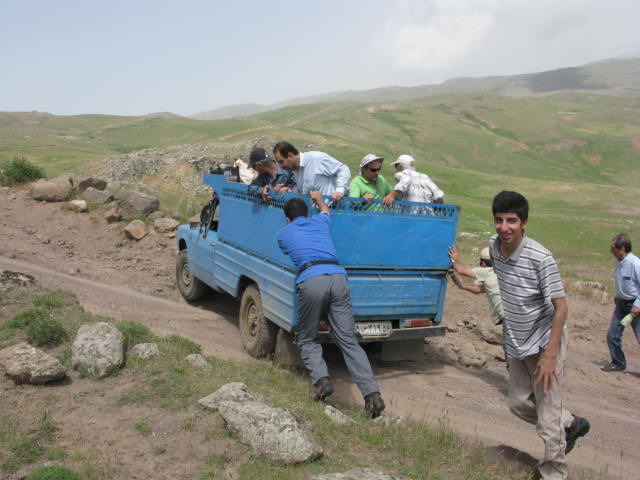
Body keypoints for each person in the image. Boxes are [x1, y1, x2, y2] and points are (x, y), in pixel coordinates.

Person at [489, 190, 589, 480]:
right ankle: (569, 424)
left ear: (524, 223)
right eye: (499, 220)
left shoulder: (541, 257)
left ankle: (553, 473)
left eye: (512, 221)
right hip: (517, 341)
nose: (504, 227)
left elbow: (561, 308)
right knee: (518, 403)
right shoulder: (494, 248)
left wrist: (550, 355)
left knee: (547, 414)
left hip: (546, 341)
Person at [277, 190, 385, 418]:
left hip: (311, 279)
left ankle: (322, 381)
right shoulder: (320, 221)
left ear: (287, 218)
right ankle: (373, 396)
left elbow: (289, 250)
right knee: (348, 340)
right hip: (338, 277)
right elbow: (326, 210)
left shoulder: (284, 233)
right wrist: (317, 198)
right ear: (307, 214)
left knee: (307, 337)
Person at [602, 233, 640, 372]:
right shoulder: (618, 262)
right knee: (612, 335)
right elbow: (620, 280)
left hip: (635, 305)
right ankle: (618, 362)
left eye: (613, 247)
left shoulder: (635, 264)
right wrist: (618, 295)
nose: (610, 250)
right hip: (621, 304)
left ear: (622, 248)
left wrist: (638, 305)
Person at [273, 141, 350, 203]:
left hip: (332, 210)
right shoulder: (296, 169)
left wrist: (339, 191)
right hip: (313, 214)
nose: (281, 166)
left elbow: (343, 169)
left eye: (281, 162)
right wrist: (292, 191)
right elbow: (306, 191)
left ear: (290, 155)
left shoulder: (316, 158)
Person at [448, 245, 504, 326]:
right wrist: (462, 286)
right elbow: (479, 289)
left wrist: (454, 259)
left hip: (506, 314)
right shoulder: (500, 272)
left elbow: (461, 271)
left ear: (484, 263)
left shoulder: (487, 271)